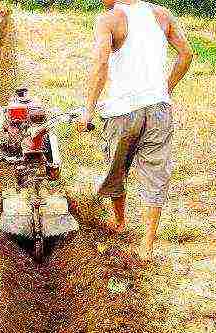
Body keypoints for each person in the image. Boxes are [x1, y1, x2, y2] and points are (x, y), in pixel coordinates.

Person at [75, 0, 193, 260]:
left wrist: (88, 111)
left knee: (116, 167)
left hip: (123, 112)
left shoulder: (109, 19)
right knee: (155, 173)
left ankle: (119, 222)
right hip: (159, 108)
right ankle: (146, 247)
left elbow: (101, 65)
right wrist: (166, 88)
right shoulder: (161, 14)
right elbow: (186, 54)